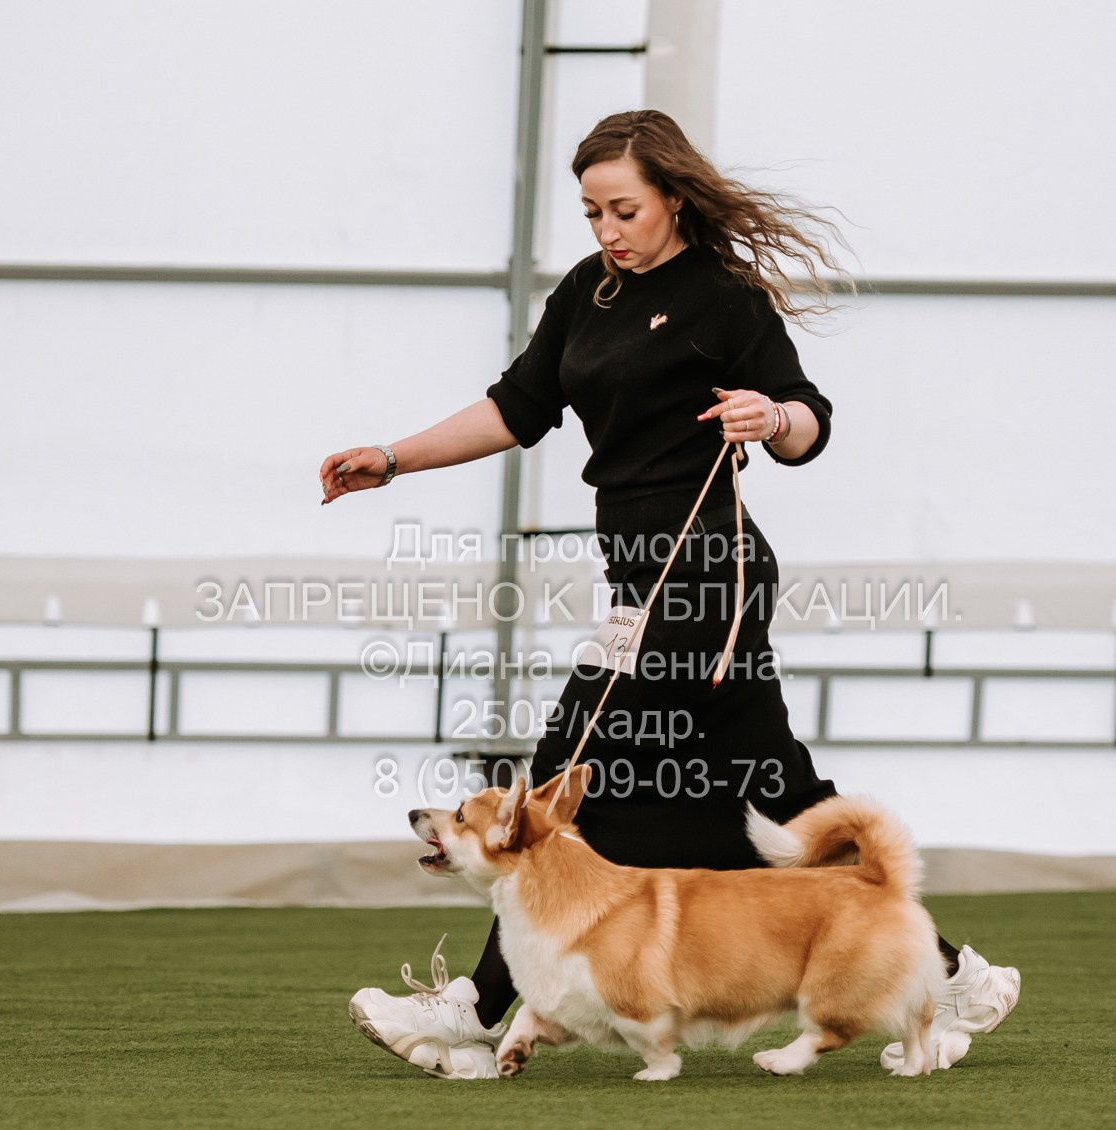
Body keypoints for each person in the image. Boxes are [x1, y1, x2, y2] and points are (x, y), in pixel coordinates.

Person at [319, 109, 1019, 1080]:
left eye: (624, 209)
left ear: (674, 199)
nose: (606, 229)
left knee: (568, 778)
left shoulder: (723, 299)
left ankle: (478, 1008)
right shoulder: (588, 292)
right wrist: (393, 458)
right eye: (591, 212)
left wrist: (769, 416)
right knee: (774, 794)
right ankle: (949, 975)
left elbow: (809, 420)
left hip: (706, 582)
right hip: (638, 580)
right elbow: (516, 407)